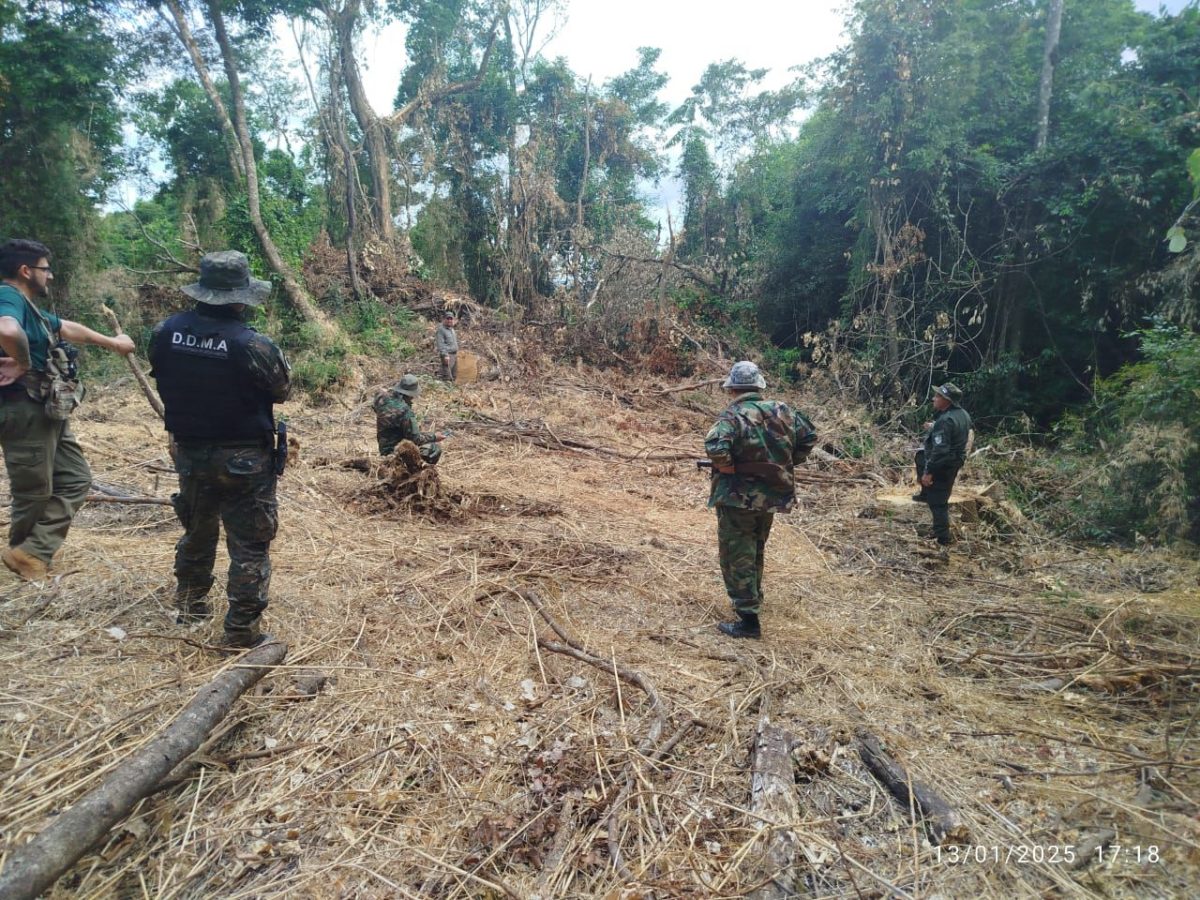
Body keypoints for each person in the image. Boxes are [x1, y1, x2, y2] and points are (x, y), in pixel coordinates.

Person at [148, 251, 291, 648]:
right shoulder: (253, 344)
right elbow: (282, 390)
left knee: (197, 529)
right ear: (241, 297)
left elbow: (161, 374)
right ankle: (241, 631)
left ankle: (190, 606)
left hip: (190, 453)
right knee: (249, 545)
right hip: (244, 458)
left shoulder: (165, 332)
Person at [0, 238, 135, 580]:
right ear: (25, 270)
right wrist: (22, 361)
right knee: (34, 490)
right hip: (21, 406)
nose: (51, 276)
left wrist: (113, 343)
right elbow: (6, 329)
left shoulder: (29, 306)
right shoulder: (8, 296)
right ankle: (25, 561)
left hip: (45, 409)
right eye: (45, 269)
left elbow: (64, 328)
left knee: (76, 479)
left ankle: (30, 551)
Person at [704, 360, 817, 639]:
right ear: (758, 386)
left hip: (737, 497)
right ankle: (754, 597)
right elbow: (809, 436)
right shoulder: (783, 410)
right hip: (771, 495)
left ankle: (748, 620)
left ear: (733, 388)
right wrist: (787, 461)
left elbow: (716, 447)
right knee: (755, 547)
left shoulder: (733, 415)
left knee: (736, 554)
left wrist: (729, 467)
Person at [912, 382, 972, 548]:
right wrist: (934, 426)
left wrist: (929, 472)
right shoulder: (962, 414)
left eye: (938, 396)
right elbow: (954, 432)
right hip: (954, 459)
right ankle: (925, 492)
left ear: (947, 400)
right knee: (921, 456)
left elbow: (940, 451)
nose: (934, 398)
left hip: (944, 463)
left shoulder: (945, 420)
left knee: (938, 502)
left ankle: (942, 539)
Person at [374, 374, 447, 464]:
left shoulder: (381, 397)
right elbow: (415, 439)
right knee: (434, 449)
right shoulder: (405, 412)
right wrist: (434, 437)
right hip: (396, 454)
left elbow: (375, 407)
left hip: (383, 450)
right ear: (411, 394)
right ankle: (417, 471)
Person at [435, 311, 458, 381]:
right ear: (444, 319)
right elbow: (440, 344)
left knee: (454, 375)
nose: (449, 320)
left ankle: (452, 390)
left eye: (451, 319)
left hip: (454, 355)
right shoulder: (441, 330)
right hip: (448, 356)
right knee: (447, 376)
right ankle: (444, 389)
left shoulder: (452, 330)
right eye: (448, 319)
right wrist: (445, 355)